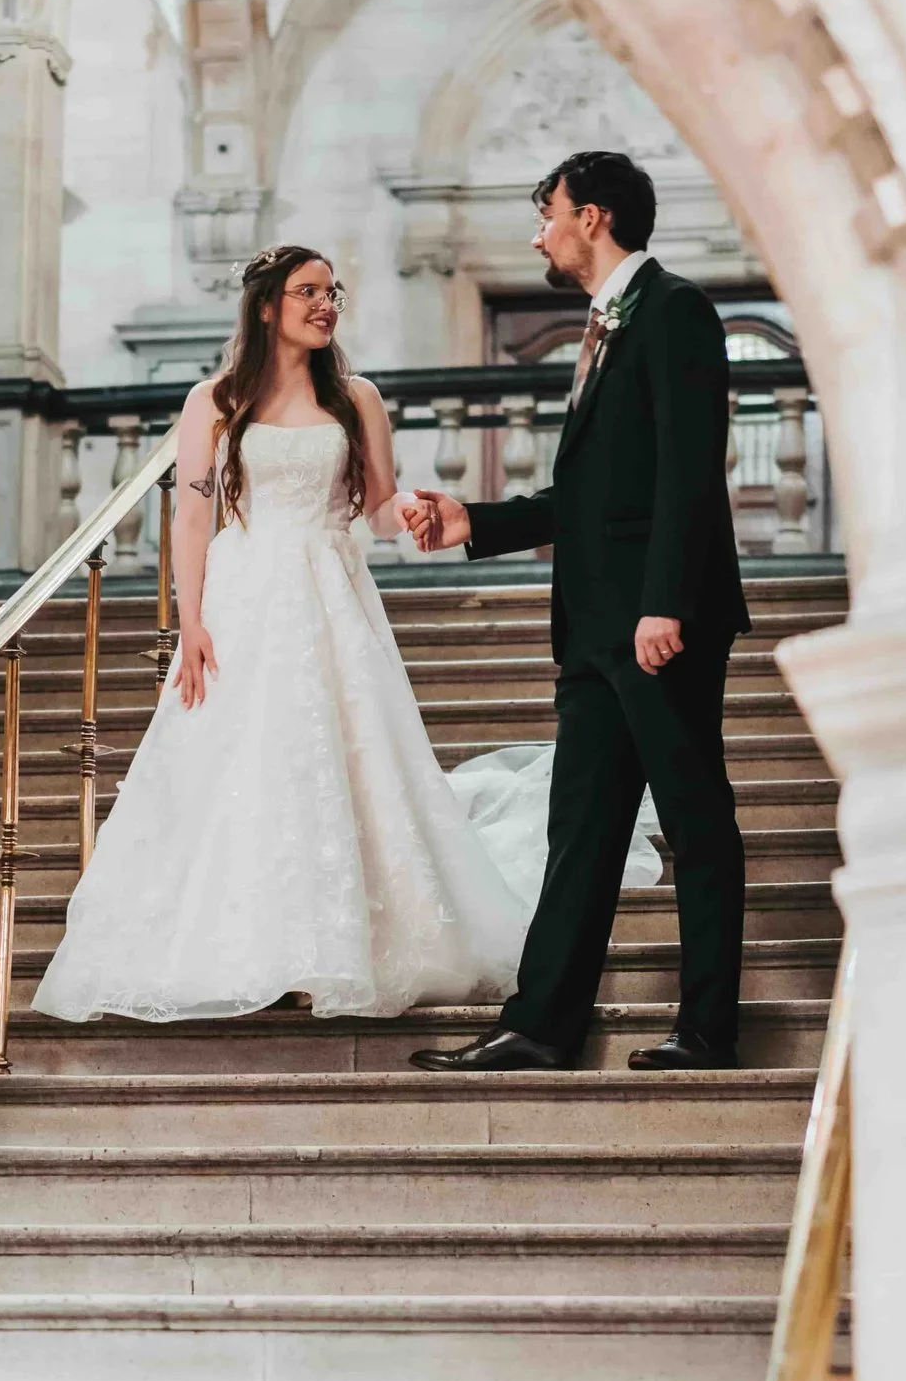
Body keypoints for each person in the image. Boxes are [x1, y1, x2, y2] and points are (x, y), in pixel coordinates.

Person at [30, 245, 531, 1024]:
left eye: (334, 291)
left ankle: (333, 950)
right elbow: (192, 514)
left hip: (331, 594)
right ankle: (249, 944)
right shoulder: (217, 399)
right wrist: (190, 620)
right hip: (244, 596)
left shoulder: (356, 396)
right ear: (267, 305)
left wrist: (414, 513)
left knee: (335, 757)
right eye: (308, 291)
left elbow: (376, 502)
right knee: (246, 762)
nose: (326, 304)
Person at [405, 150, 752, 1073]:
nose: (538, 232)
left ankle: (709, 1027)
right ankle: (543, 1022)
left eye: (547, 213)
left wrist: (665, 603)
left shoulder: (674, 309)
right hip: (595, 629)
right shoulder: (602, 327)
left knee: (694, 813)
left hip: (654, 623)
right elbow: (588, 498)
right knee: (581, 829)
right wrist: (470, 520)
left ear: (591, 217)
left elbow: (690, 467)